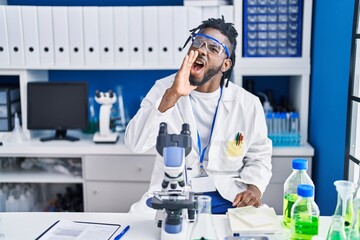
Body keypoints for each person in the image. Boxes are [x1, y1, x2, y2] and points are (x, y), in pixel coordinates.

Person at [125, 17, 272, 214]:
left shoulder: (247, 103)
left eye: (213, 49)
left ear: (226, 64)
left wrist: (254, 189)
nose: (202, 50)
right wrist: (173, 94)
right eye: (198, 43)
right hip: (172, 192)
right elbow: (135, 143)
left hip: (228, 196)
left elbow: (259, 156)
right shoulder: (164, 89)